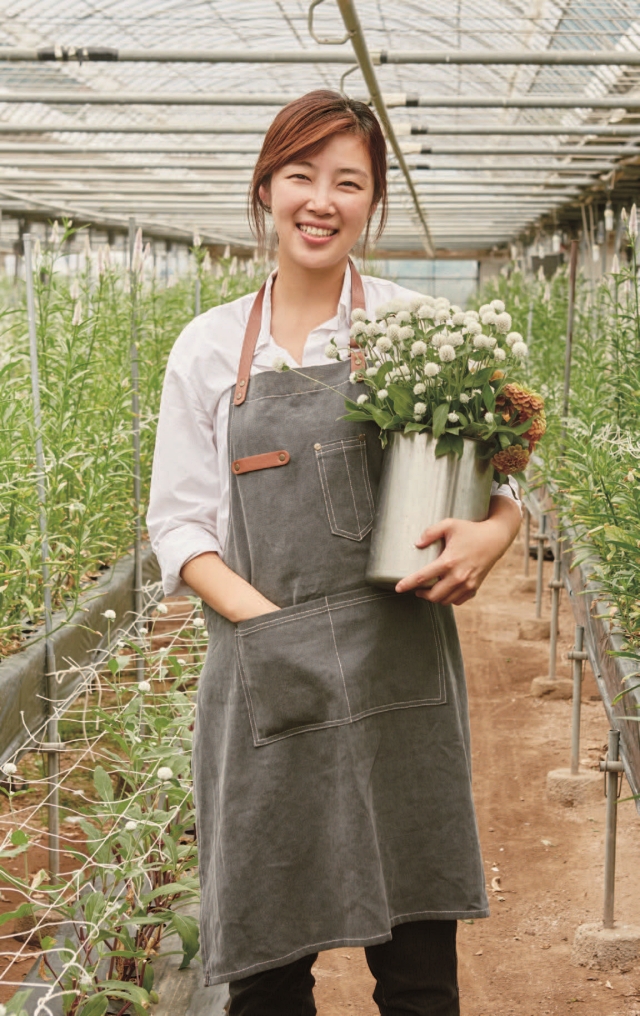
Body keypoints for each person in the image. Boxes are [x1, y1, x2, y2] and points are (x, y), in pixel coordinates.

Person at [148, 89, 521, 1016]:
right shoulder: (207, 350)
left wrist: (494, 532)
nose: (323, 199)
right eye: (302, 175)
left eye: (347, 182)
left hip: (398, 661)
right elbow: (180, 527)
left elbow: (499, 479)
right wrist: (274, 629)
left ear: (373, 202)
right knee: (269, 973)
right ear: (266, 186)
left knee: (419, 967)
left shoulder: (409, 328)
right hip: (269, 672)